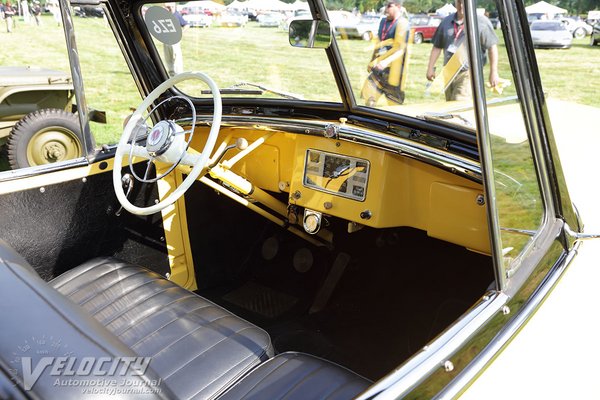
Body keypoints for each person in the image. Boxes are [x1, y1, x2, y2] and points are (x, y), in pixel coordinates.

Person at [426, 0, 499, 101]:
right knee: (450, 104)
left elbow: (492, 47)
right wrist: (430, 68)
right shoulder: (446, 22)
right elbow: (437, 46)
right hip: (449, 71)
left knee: (458, 102)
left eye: (464, 2)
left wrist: (493, 72)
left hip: (469, 72)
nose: (461, 6)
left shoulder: (481, 22)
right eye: (459, 2)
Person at [361, 0, 410, 106]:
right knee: (369, 99)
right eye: (385, 5)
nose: (386, 9)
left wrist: (385, 62)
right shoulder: (383, 21)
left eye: (389, 6)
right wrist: (372, 60)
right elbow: (379, 43)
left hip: (394, 72)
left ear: (398, 6)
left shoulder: (402, 23)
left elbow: (401, 50)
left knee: (394, 105)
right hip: (379, 70)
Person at [163, 2, 188, 77]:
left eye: (169, 7)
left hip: (175, 40)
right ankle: (171, 72)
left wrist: (181, 32)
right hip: (166, 39)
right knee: (168, 57)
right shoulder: (165, 16)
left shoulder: (176, 15)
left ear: (173, 7)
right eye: (166, 7)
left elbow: (186, 25)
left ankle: (178, 73)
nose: (168, 8)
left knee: (176, 56)